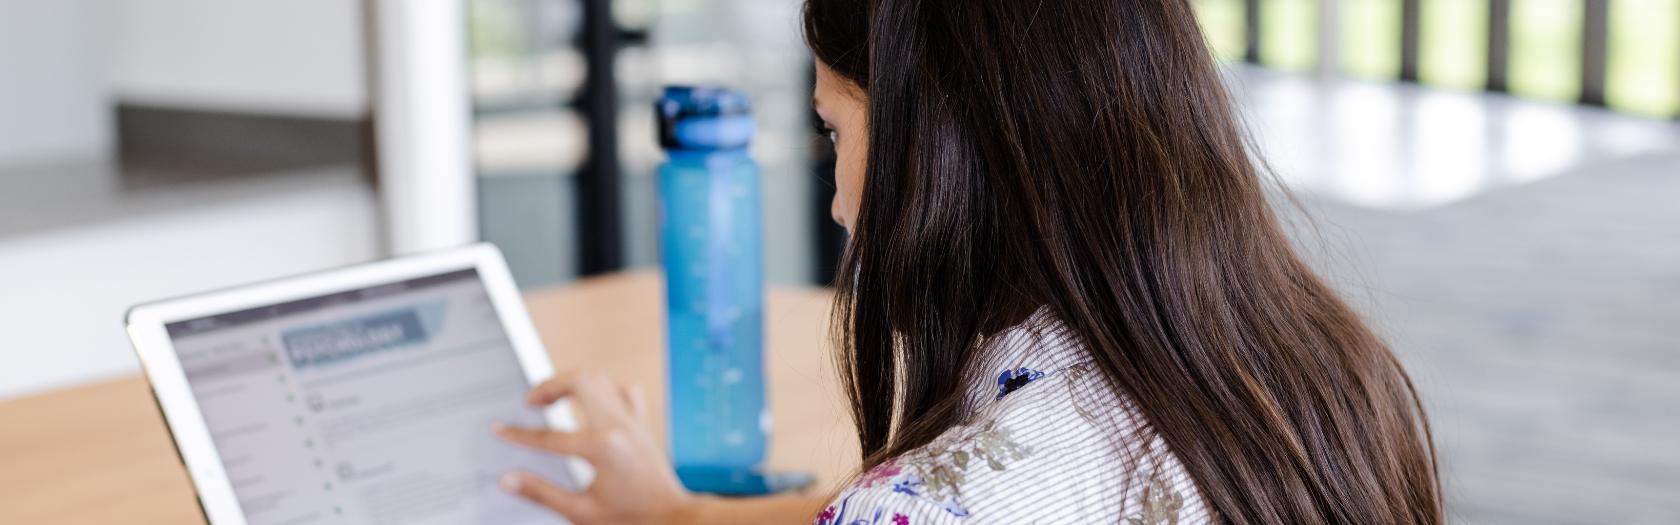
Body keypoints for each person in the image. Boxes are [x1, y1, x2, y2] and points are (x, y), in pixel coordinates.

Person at [491, 0, 1443, 523]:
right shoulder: (1314, 373)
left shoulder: (944, 501)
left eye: (835, 133)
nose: (836, 201)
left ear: (936, 145)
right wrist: (674, 516)